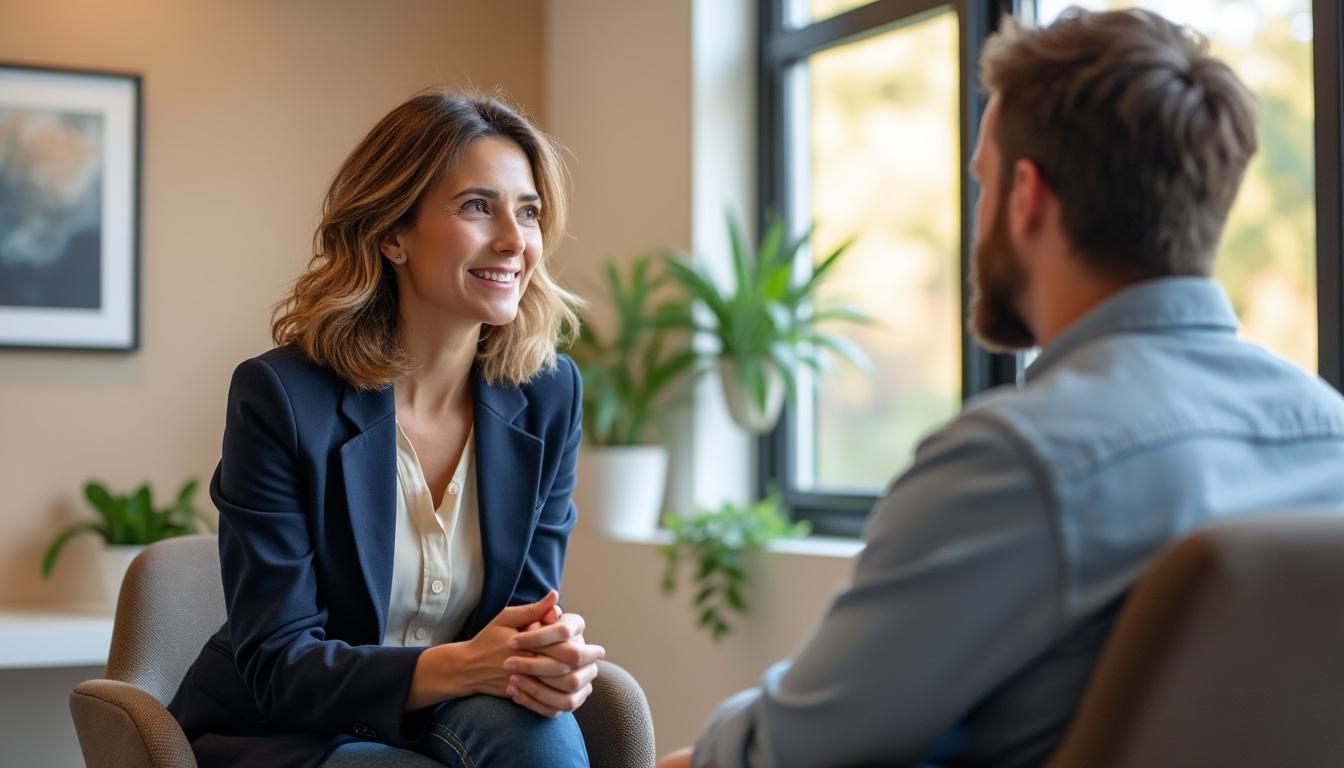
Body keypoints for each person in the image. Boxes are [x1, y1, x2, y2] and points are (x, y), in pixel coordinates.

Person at [658, 8, 1344, 768]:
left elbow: (790, 755)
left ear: (1026, 196)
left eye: (981, 183)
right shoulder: (1331, 433)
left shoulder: (1016, 460)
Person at [168, 88, 604, 768]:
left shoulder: (550, 395)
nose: (516, 241)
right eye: (476, 207)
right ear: (392, 233)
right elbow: (282, 664)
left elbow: (522, 618)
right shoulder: (281, 398)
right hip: (287, 732)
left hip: (448, 719)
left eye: (529, 212)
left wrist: (548, 658)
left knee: (543, 739)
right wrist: (467, 666)